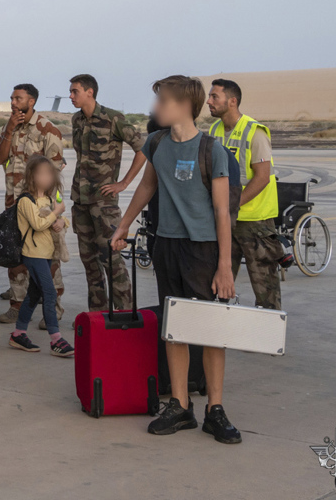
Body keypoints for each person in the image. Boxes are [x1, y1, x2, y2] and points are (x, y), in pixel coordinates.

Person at [113, 75, 240, 444]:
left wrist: (225, 265)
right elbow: (148, 185)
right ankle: (179, 405)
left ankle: (214, 409)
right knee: (175, 327)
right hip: (165, 245)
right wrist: (123, 225)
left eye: (162, 101)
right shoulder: (157, 143)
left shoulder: (212, 150)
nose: (156, 108)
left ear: (184, 105)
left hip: (203, 249)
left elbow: (221, 212)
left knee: (211, 329)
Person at [66, 74, 145, 312]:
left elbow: (143, 149)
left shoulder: (113, 119)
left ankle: (123, 313)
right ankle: (98, 316)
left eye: (75, 91)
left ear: (90, 92)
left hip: (103, 203)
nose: (70, 96)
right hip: (80, 200)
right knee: (89, 263)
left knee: (111, 259)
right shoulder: (77, 120)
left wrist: (124, 183)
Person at [206, 79, 284, 310]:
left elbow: (261, 177)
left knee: (265, 287)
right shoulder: (213, 130)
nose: (208, 101)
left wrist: (232, 204)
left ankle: (270, 338)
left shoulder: (255, 132)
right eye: (209, 96)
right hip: (226, 220)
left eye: (214, 97)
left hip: (255, 222)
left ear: (232, 101)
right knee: (218, 282)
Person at [0, 83, 66, 325]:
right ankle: (16, 304)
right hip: (14, 203)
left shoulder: (47, 129)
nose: (13, 103)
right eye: (12, 98)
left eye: (18, 98)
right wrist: (9, 128)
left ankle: (53, 308)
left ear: (31, 101)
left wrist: (52, 210)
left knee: (47, 254)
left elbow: (55, 171)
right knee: (15, 252)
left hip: (41, 203)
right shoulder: (10, 126)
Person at [8, 155, 75, 358]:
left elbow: (60, 219)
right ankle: (56, 339)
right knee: (50, 292)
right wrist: (56, 214)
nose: (46, 178)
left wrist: (62, 221)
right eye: (41, 174)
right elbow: (38, 224)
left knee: (34, 294)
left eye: (49, 173)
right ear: (31, 176)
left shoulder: (49, 198)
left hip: (46, 254)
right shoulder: (26, 201)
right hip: (33, 254)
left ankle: (18, 334)